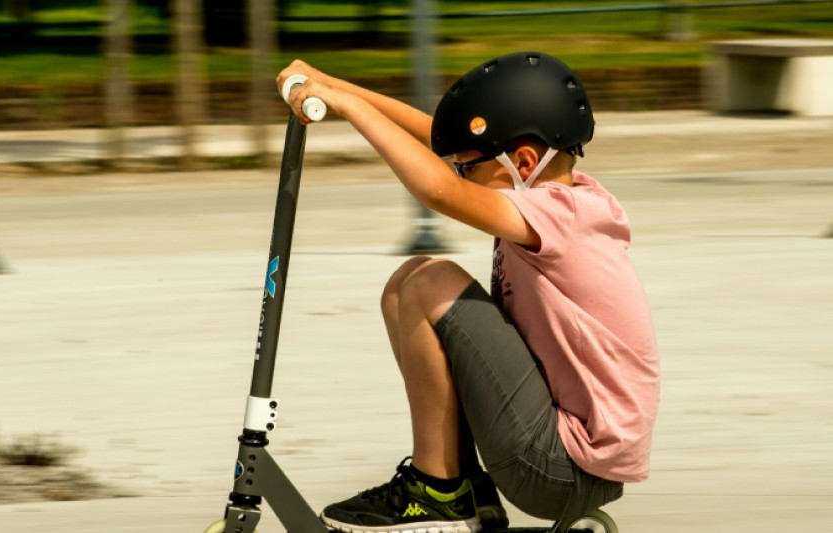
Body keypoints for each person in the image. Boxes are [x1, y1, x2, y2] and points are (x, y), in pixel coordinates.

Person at [276, 52, 660, 533]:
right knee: (410, 279)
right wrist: (331, 86)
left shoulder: (565, 213)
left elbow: (438, 190)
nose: (459, 175)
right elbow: (439, 138)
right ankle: (461, 486)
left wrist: (349, 109)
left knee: (431, 284)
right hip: (561, 455)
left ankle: (437, 491)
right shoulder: (556, 197)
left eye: (468, 168)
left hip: (563, 467)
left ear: (522, 162)